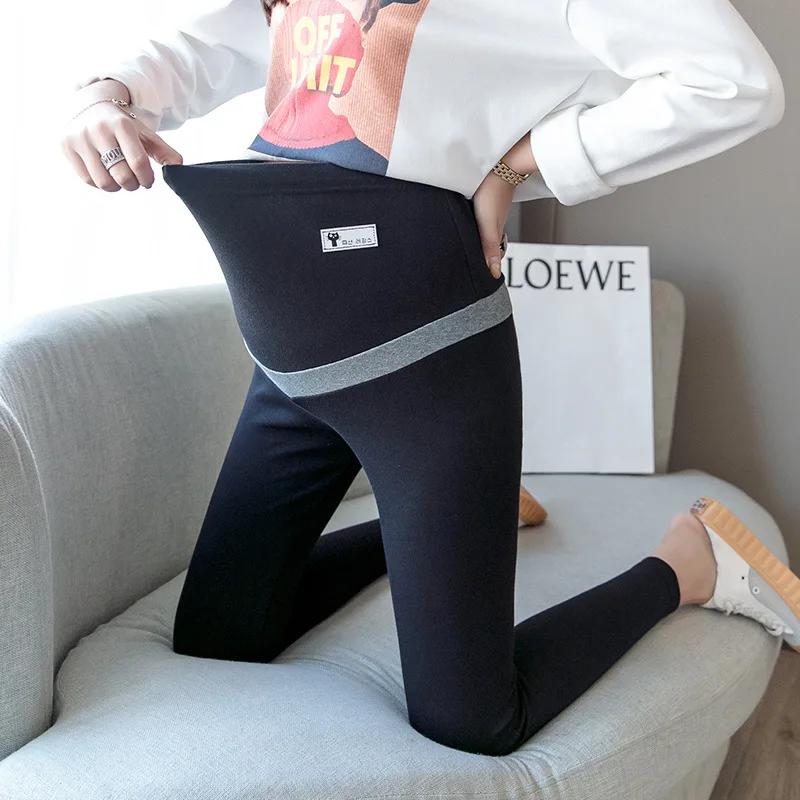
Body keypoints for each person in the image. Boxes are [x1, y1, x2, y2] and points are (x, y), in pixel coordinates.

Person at [61, 0, 798, 758]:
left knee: (470, 722)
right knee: (219, 635)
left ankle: (688, 563)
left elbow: (733, 83)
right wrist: (106, 97)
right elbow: (211, 44)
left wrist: (522, 163)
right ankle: (476, 515)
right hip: (289, 372)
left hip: (428, 368)